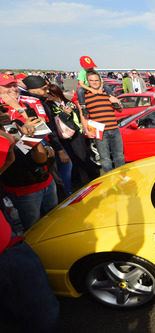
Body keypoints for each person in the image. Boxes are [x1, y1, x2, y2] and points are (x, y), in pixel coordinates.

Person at [0, 129, 60, 332]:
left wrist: (32, 138)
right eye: (8, 93)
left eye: (16, 92)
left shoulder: (17, 120)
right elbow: (13, 157)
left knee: (55, 225)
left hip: (44, 183)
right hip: (24, 194)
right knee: (35, 230)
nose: (14, 94)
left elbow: (39, 155)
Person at [46, 84, 100, 189]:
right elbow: (54, 121)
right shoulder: (49, 106)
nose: (48, 97)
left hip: (75, 134)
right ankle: (76, 183)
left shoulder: (69, 103)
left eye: (50, 94)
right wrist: (64, 114)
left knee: (83, 157)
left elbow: (79, 117)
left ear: (56, 93)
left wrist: (83, 129)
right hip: (62, 137)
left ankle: (94, 177)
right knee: (70, 160)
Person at [83, 71, 125, 173]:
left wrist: (116, 101)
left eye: (97, 80)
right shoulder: (85, 97)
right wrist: (86, 131)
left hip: (114, 129)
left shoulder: (107, 94)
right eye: (91, 80)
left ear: (100, 81)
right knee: (105, 159)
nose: (95, 82)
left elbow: (121, 110)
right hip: (99, 132)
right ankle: (110, 179)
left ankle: (121, 178)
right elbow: (83, 116)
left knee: (119, 156)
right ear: (88, 82)